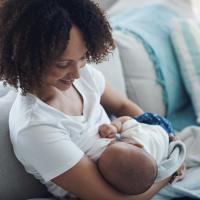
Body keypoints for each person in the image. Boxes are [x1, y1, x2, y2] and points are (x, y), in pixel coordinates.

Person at [0, 0, 182, 199]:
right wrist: (171, 168)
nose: (77, 73)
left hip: (133, 154)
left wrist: (164, 135)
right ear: (28, 58)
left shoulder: (84, 76)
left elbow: (123, 106)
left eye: (83, 57)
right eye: (62, 64)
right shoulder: (34, 127)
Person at [96, 114, 182, 195]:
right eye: (114, 143)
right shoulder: (134, 135)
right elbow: (124, 119)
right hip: (160, 126)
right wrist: (114, 127)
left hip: (160, 137)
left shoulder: (145, 169)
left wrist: (114, 127)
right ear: (134, 145)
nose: (110, 142)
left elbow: (125, 120)